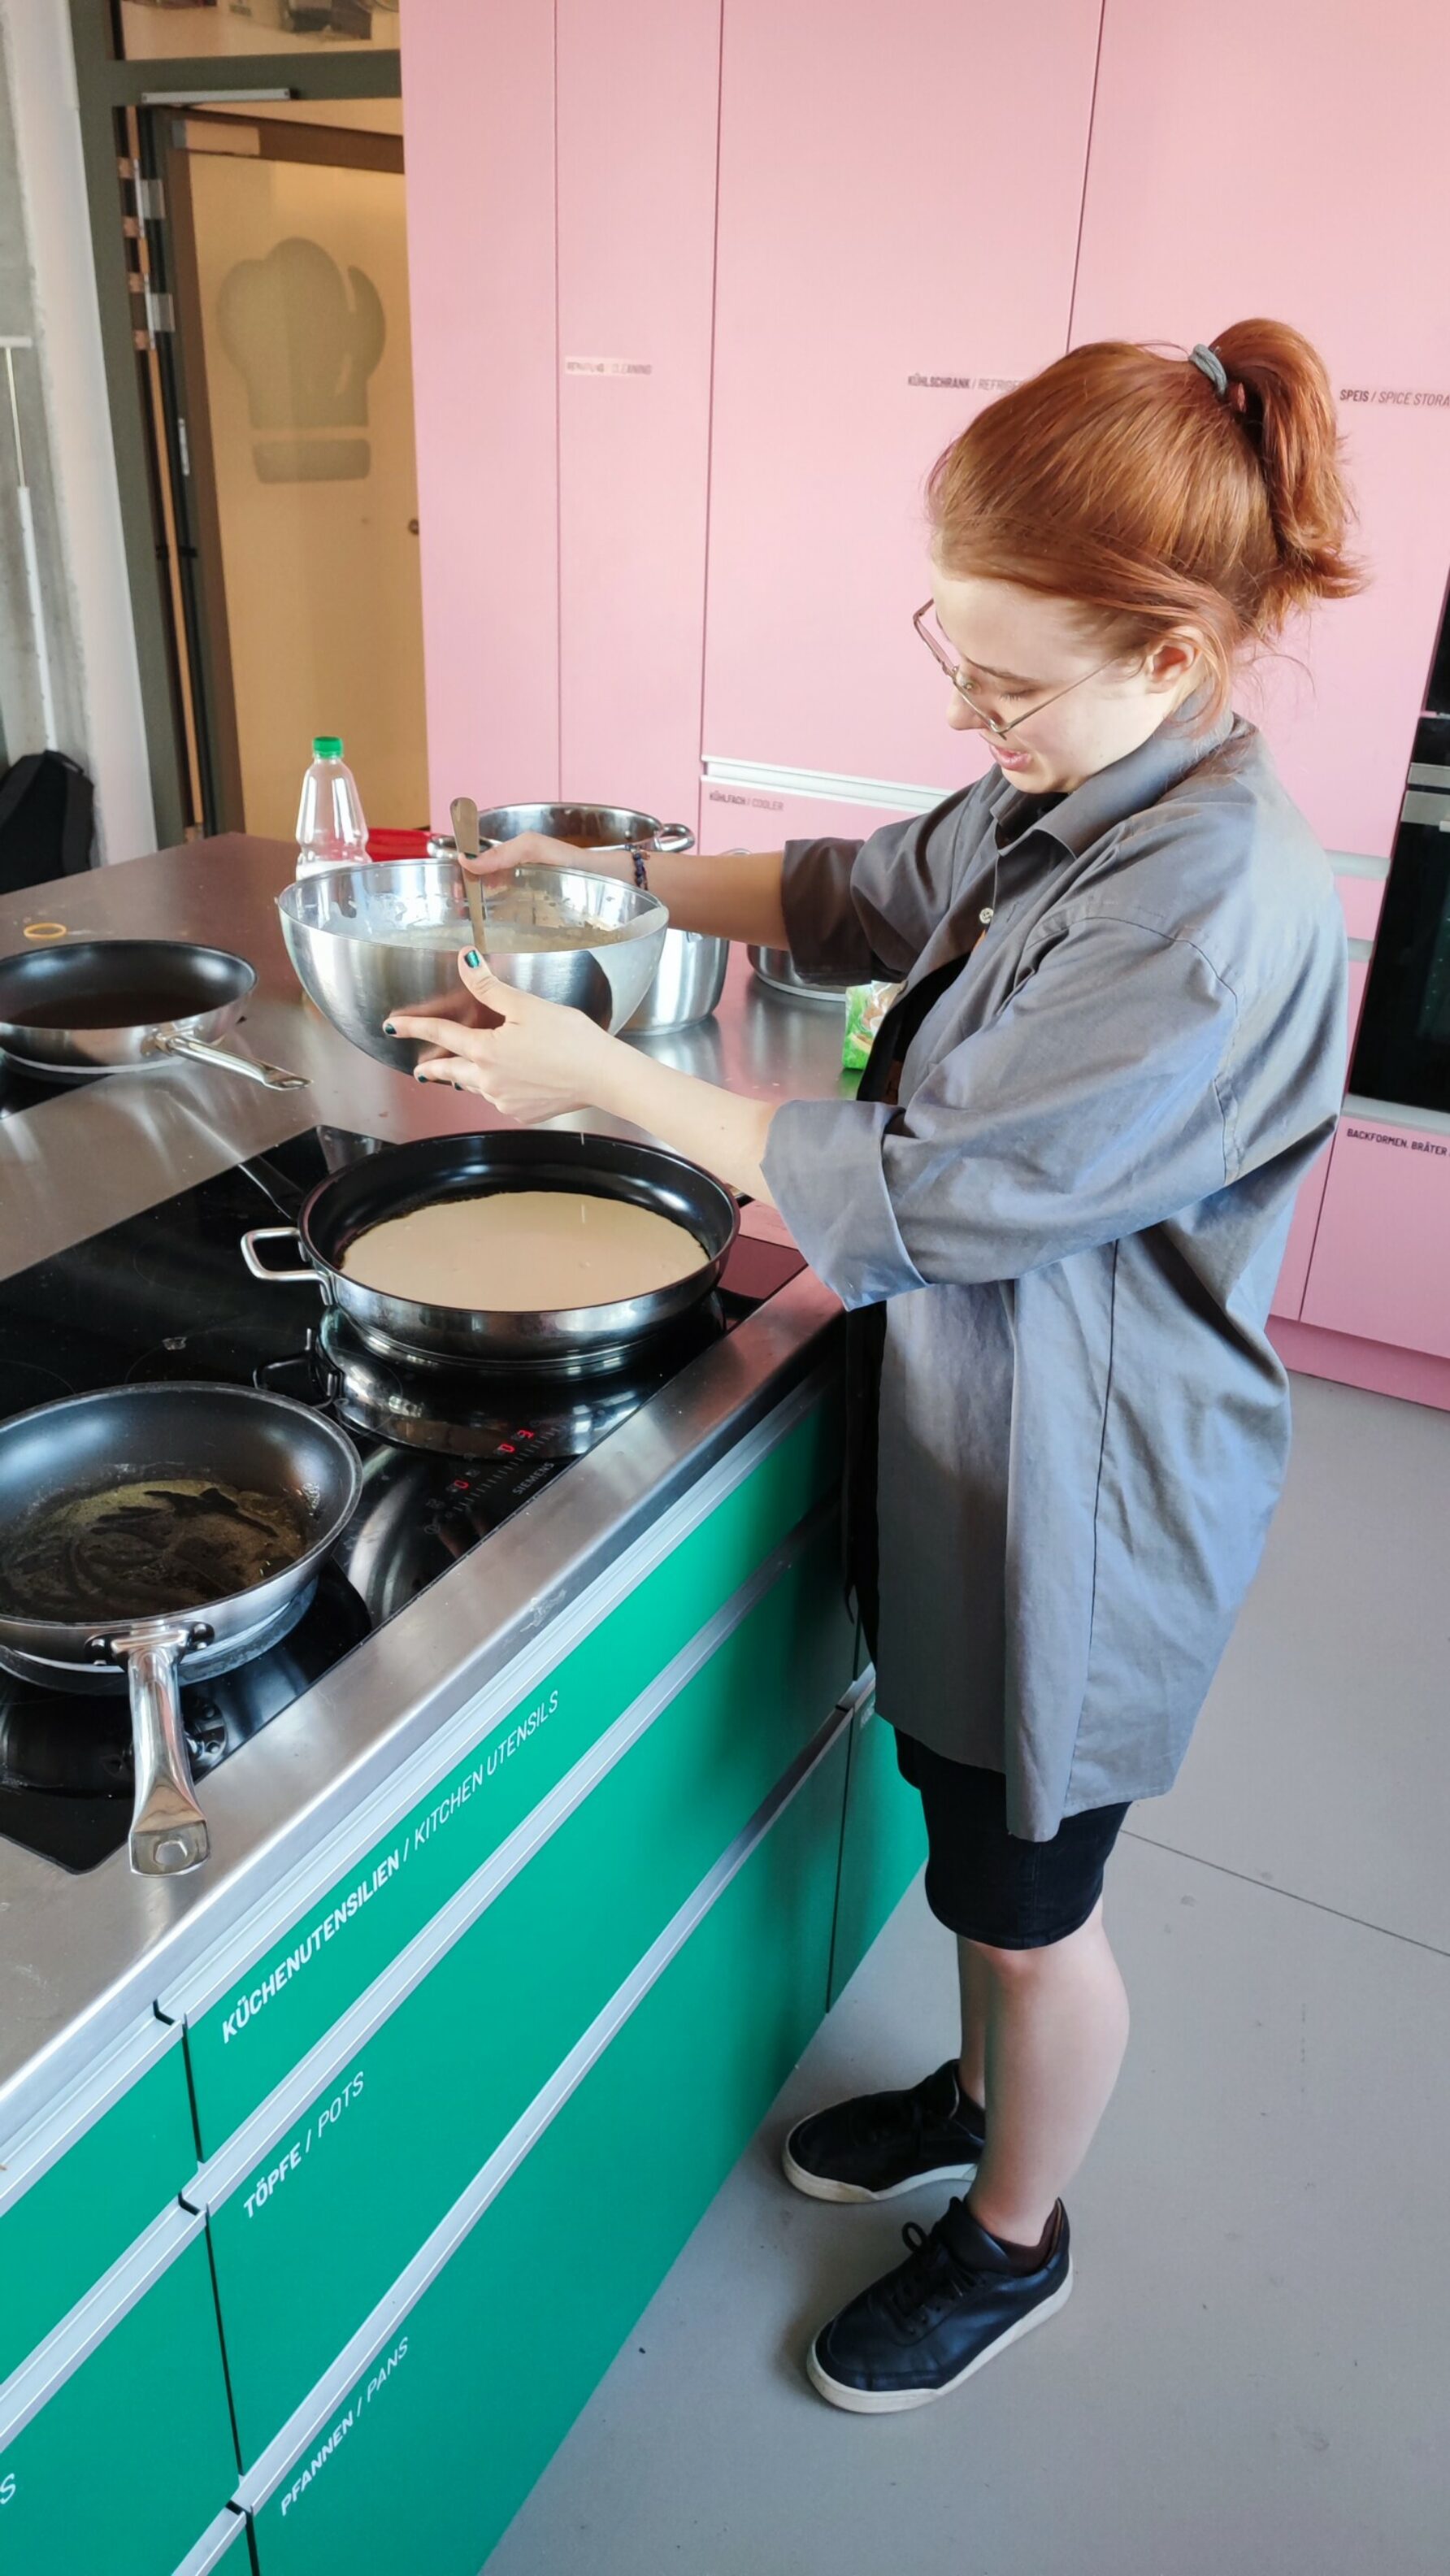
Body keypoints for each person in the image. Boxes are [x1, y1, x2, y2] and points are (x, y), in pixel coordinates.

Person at [389, 321, 1359, 2414]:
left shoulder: (1205, 903)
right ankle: (975, 2092)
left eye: (1010, 681)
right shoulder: (1079, 785)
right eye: (960, 658)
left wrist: (601, 1072)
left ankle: (1017, 2237)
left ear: (1174, 657)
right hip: (982, 1438)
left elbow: (930, 1183)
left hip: (1081, 1507)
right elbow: (852, 891)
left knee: (1030, 1902)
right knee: (973, 1849)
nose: (970, 715)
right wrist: (604, 874)